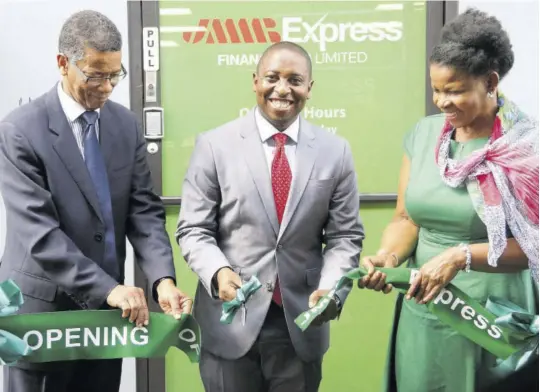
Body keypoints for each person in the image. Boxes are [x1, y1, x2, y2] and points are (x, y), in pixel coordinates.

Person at [0, 10, 192, 392]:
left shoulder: (124, 123)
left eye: (114, 75)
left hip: (108, 318)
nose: (107, 87)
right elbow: (40, 235)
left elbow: (144, 211)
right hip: (43, 323)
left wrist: (163, 280)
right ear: (63, 64)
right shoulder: (20, 131)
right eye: (95, 75)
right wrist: (108, 288)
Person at [358, 9, 538, 392]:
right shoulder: (423, 136)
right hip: (425, 308)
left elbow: (535, 245)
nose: (441, 101)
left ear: (490, 82)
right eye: (436, 89)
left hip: (494, 317)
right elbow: (406, 218)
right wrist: (388, 257)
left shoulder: (527, 148)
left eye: (454, 90)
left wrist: (461, 256)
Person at [176, 41, 364, 392]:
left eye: (294, 80)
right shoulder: (215, 145)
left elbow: (345, 237)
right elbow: (194, 229)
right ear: (255, 81)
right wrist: (218, 272)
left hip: (300, 323)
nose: (282, 89)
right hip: (229, 320)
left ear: (309, 87)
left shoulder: (334, 151)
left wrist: (332, 288)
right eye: (272, 77)